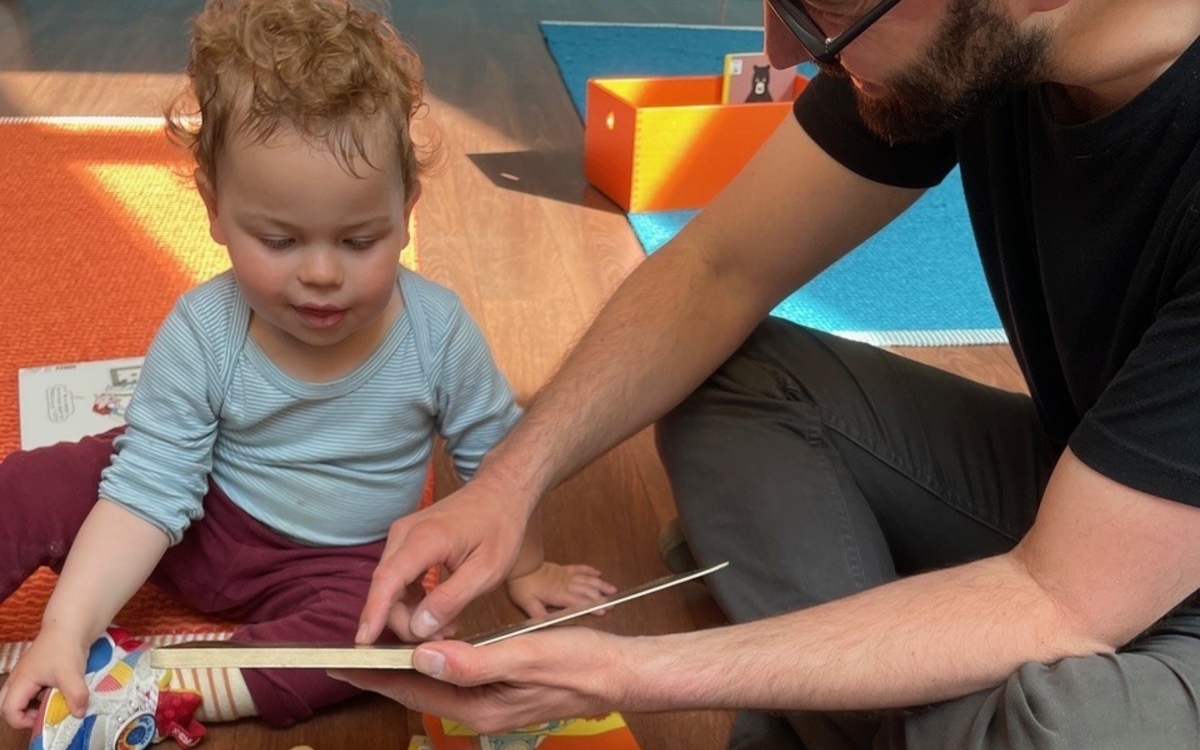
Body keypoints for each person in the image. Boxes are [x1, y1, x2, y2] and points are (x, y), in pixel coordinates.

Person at [335, 0, 1200, 748]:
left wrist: (627, 673)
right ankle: (893, 686)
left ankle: (846, 691)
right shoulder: (974, 39)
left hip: (1093, 578)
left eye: (823, 8)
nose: (782, 52)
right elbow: (719, 270)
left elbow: (1059, 598)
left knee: (1063, 731)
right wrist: (509, 482)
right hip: (1103, 508)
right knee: (726, 373)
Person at [0, 0, 615, 743]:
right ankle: (98, 647)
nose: (321, 274)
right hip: (194, 521)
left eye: (360, 239)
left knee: (384, 637)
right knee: (37, 482)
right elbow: (146, 495)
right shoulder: (203, 329)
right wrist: (66, 628)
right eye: (280, 239)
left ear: (406, 208)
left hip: (338, 564)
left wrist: (526, 570)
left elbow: (499, 464)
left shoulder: (438, 332)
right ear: (215, 208)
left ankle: (193, 683)